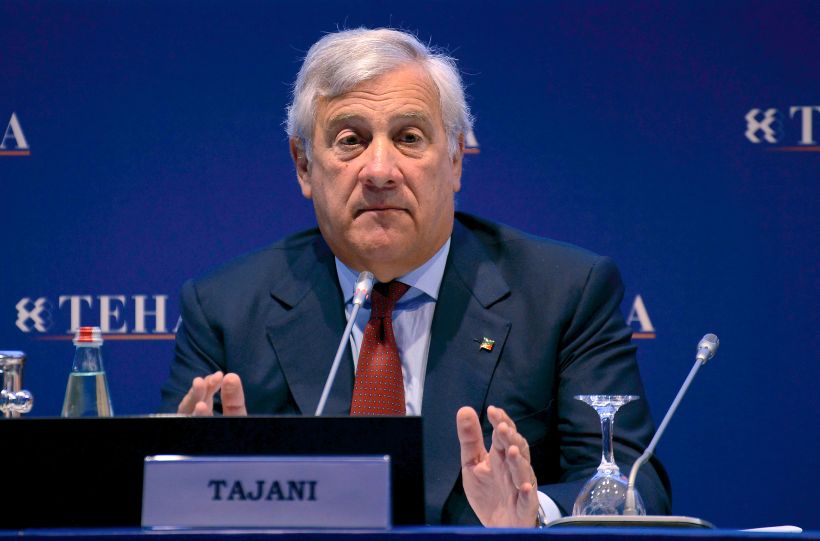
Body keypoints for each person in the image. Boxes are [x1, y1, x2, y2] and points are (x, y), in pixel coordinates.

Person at [160, 27, 671, 526]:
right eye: (350, 140)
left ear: (455, 160)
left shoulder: (565, 293)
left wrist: (532, 513)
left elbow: (635, 485)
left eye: (408, 138)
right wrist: (202, 482)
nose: (380, 170)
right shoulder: (225, 309)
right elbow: (156, 499)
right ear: (304, 166)